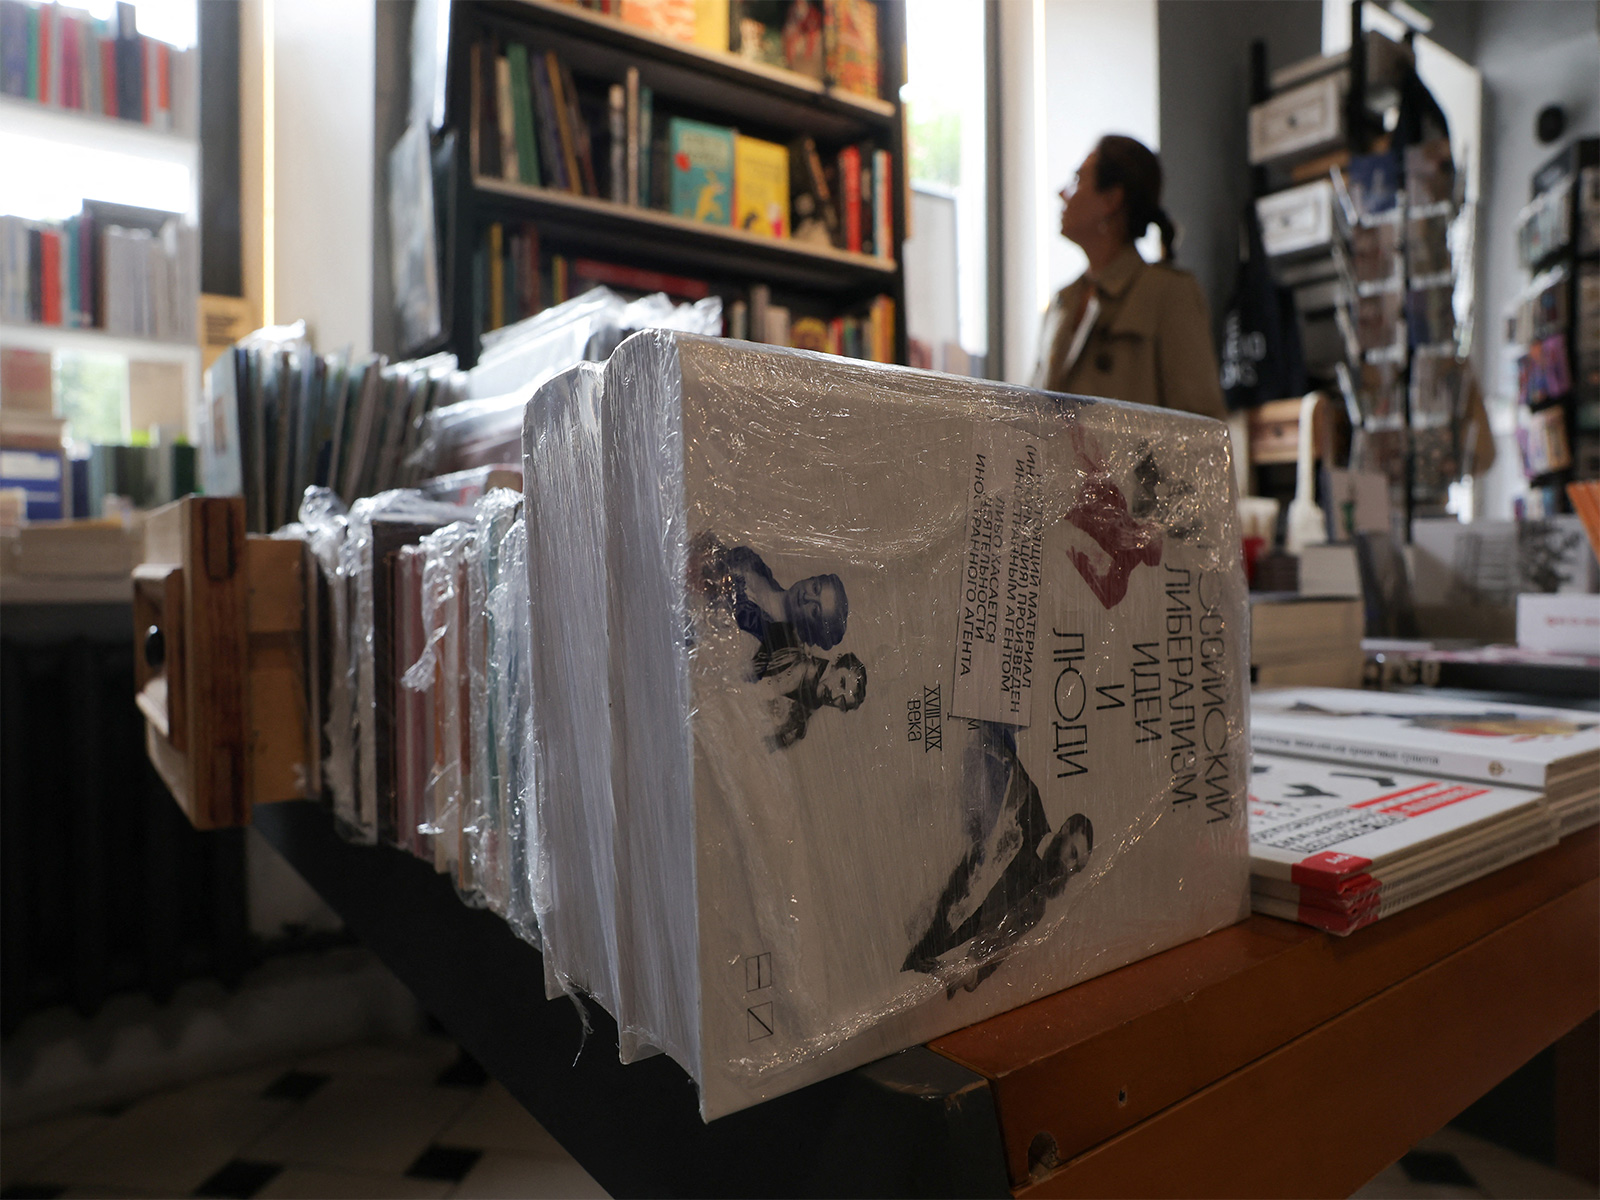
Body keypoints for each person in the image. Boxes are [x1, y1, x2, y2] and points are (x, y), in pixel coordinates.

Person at [1033, 135, 1226, 419]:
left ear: (1111, 199)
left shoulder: (1167, 293)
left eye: (1078, 180)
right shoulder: (1063, 300)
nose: (1061, 193)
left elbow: (1202, 425)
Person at [752, 638, 867, 749]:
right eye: (842, 682)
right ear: (836, 662)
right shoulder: (799, 663)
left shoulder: (809, 707)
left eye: (841, 700)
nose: (834, 695)